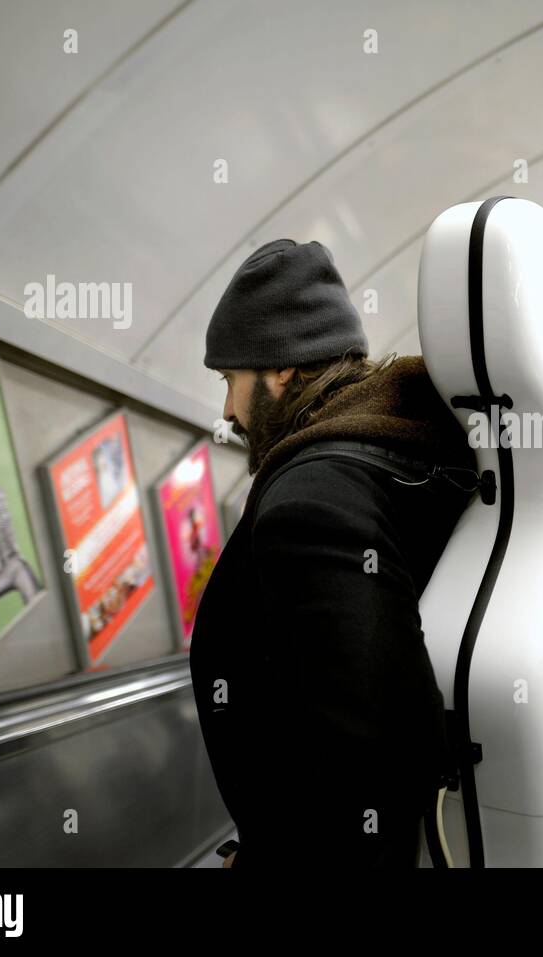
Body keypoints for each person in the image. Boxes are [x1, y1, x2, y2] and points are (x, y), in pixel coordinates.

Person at [188, 239, 476, 869]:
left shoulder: (314, 500)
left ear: (282, 368)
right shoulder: (399, 450)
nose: (229, 409)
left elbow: (372, 757)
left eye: (230, 378)